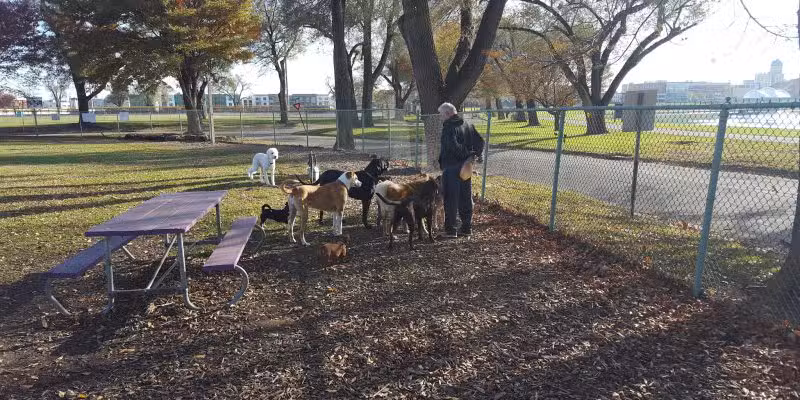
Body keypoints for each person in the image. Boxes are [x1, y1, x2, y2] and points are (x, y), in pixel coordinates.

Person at [437, 102, 484, 239]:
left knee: (451, 198)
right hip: (466, 167)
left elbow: (452, 146)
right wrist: (473, 156)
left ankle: (451, 230)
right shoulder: (468, 124)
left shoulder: (449, 127)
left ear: (448, 113)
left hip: (452, 167)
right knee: (465, 196)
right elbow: (480, 142)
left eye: (441, 115)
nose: (441, 118)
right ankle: (466, 227)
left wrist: (465, 154)